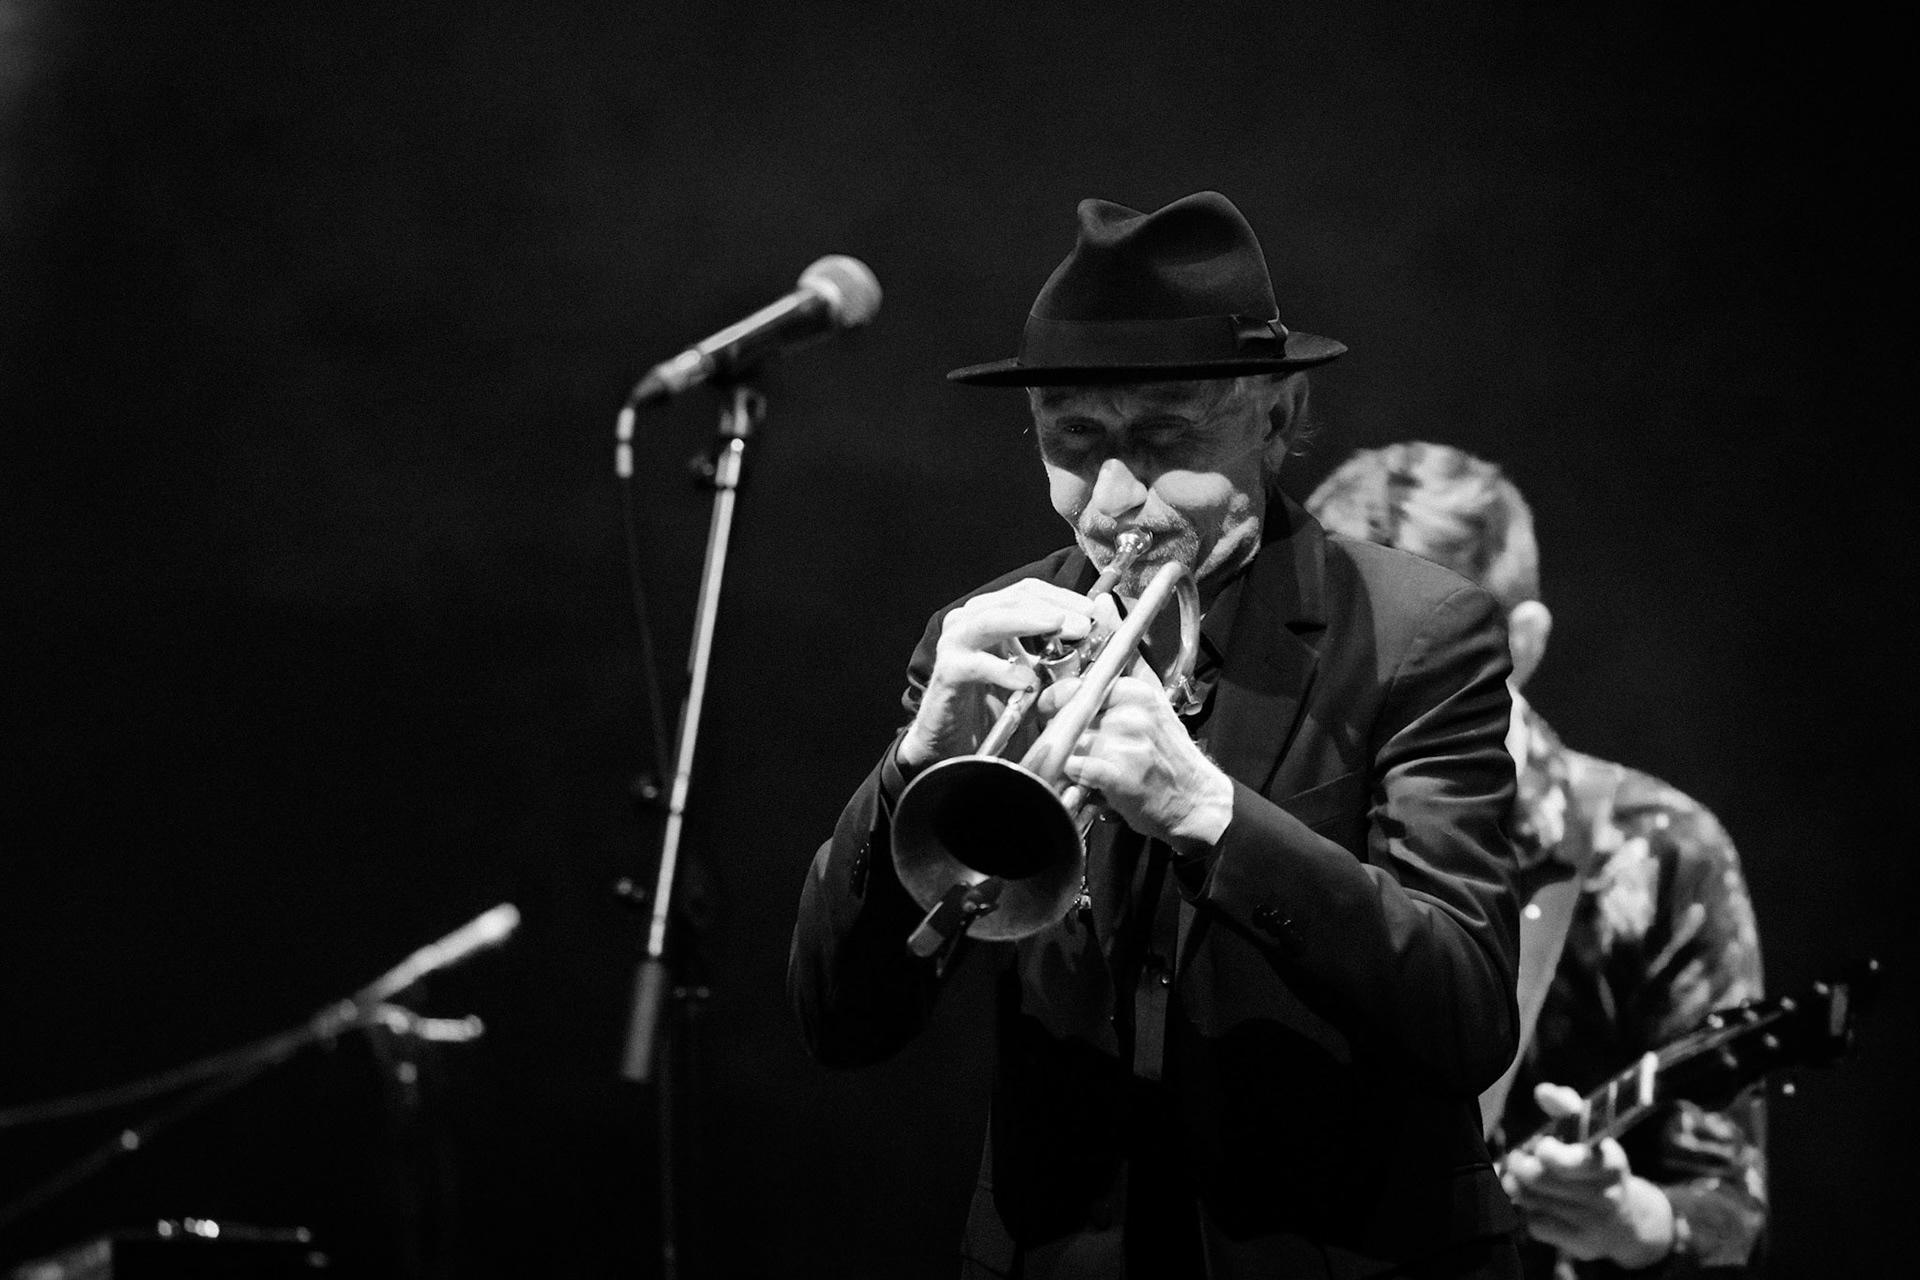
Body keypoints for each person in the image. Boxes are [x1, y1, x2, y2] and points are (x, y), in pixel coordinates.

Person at [790, 192, 1526, 1279]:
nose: (1116, 498)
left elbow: (1466, 1012)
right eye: (1073, 441)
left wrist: (1211, 814)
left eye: (1165, 438)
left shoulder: (1418, 631)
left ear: (1273, 418)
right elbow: (843, 1019)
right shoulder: (983, 634)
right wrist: (914, 767)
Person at [1306, 443, 1766, 1278]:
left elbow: (1731, 1207)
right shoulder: (1285, 822)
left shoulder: (1661, 846)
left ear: (1521, 642)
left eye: (1419, 651)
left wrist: (1636, 1221)